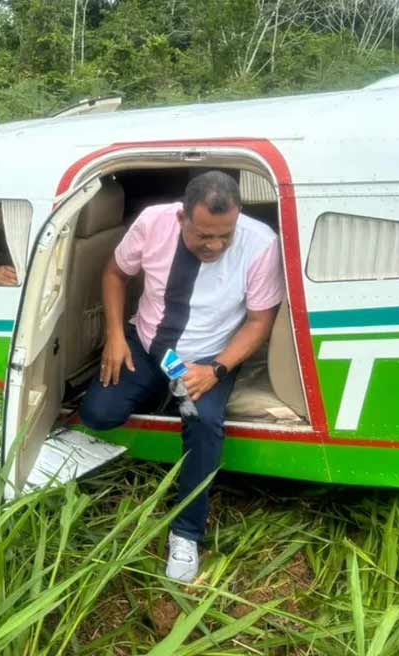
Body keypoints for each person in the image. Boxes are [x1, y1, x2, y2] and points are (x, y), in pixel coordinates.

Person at [79, 171, 284, 584]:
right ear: (181, 219)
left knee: (203, 422)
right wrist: (116, 336)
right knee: (97, 413)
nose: (215, 245)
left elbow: (260, 320)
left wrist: (217, 370)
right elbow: (115, 274)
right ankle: (158, 389)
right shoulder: (153, 222)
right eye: (204, 235)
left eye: (225, 235)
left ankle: (186, 533)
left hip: (206, 359)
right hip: (147, 342)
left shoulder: (260, 243)